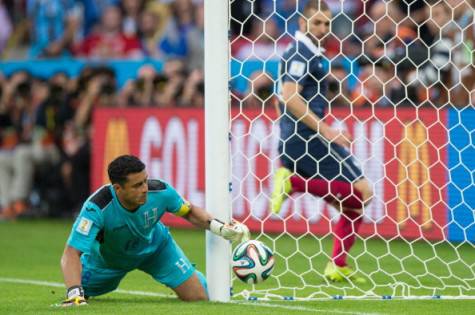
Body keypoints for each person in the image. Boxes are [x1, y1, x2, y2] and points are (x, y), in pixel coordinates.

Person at [270, 0, 373, 283]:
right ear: (302, 23)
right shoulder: (301, 52)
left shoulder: (310, 53)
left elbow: (281, 99)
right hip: (309, 139)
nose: (323, 28)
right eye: (316, 22)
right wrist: (327, 130)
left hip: (295, 139)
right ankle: (293, 183)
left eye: (327, 23)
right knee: (364, 191)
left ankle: (338, 264)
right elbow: (290, 96)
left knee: (352, 206)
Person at [59, 155, 249, 306]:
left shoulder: (160, 192)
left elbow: (189, 212)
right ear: (118, 188)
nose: (144, 189)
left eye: (145, 181)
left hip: (156, 250)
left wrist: (220, 227)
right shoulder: (96, 208)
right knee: (80, 293)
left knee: (199, 296)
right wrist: (74, 293)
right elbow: (71, 253)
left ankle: (189, 274)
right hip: (109, 263)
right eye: (137, 185)